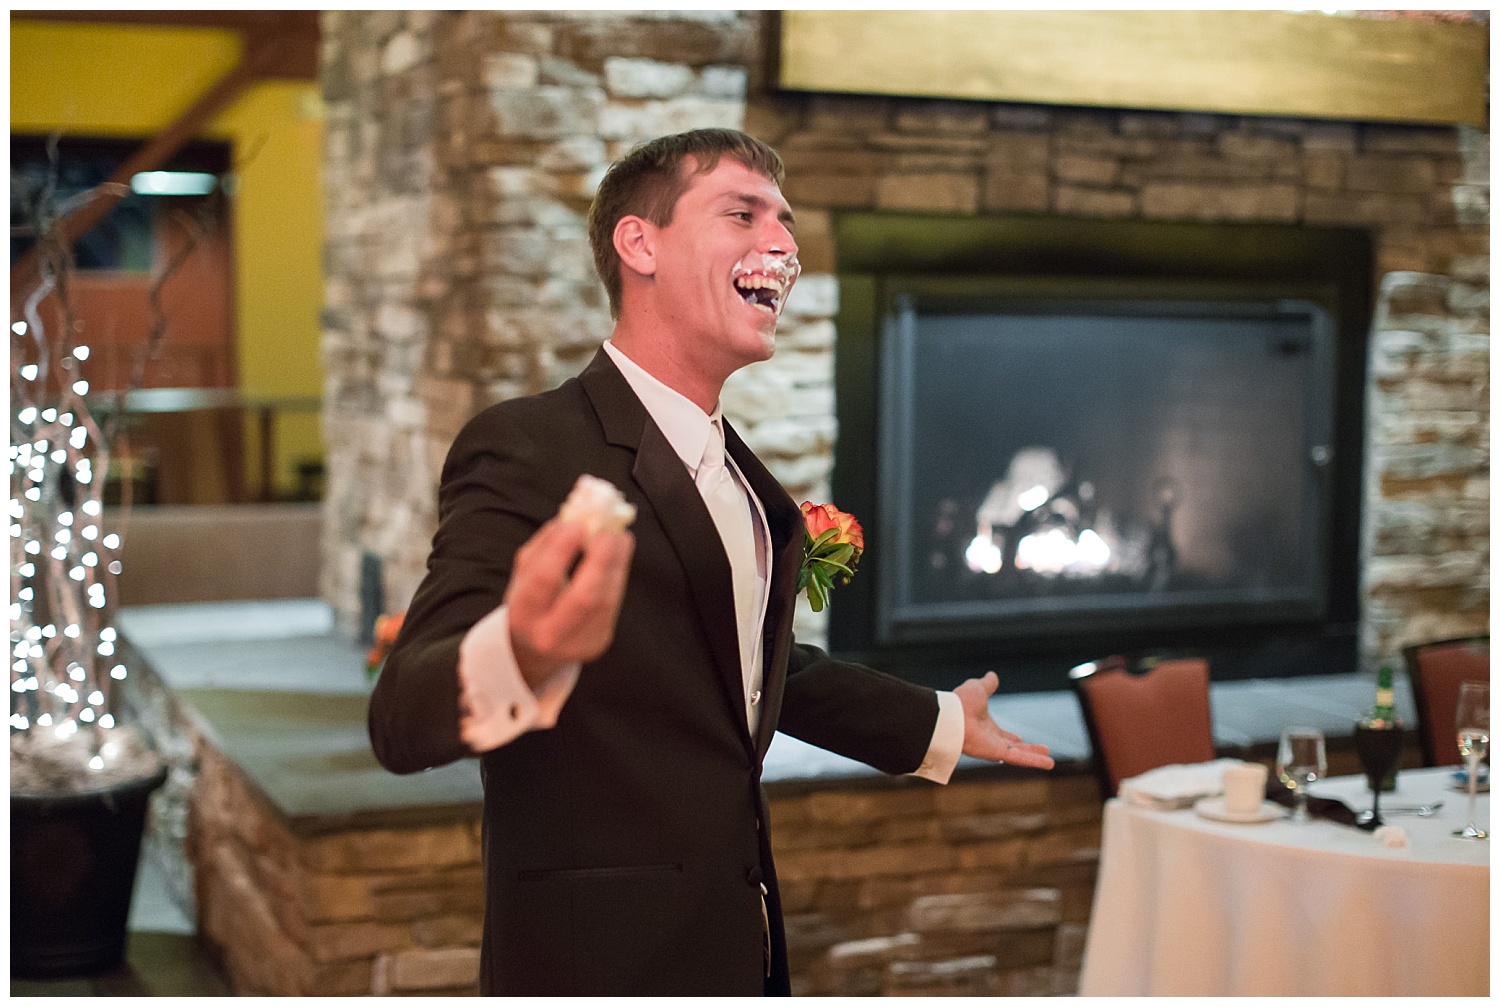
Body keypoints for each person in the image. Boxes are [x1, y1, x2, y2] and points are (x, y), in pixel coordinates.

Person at [368, 128, 1054, 996]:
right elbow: (400, 712)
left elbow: (737, 670)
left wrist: (935, 722)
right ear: (639, 243)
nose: (784, 244)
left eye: (786, 222)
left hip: (737, 947)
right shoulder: (526, 446)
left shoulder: (750, 487)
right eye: (743, 212)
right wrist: (523, 650)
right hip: (597, 963)